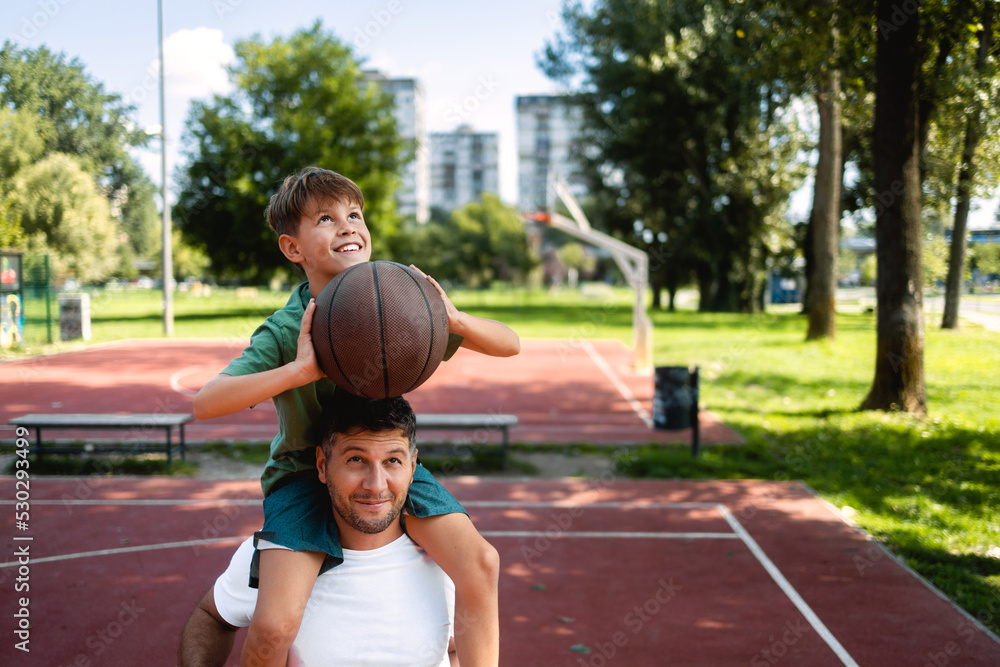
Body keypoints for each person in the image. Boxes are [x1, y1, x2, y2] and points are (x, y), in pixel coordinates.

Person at [192, 167, 519, 667]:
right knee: (276, 625)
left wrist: (453, 319)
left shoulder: (396, 302)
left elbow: (510, 344)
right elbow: (207, 402)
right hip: (303, 474)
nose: (347, 226)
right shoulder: (286, 329)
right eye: (325, 218)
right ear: (292, 248)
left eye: (354, 215)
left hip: (379, 463)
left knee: (481, 563)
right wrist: (298, 372)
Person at [179, 395, 459, 667]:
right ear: (323, 466)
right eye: (356, 460)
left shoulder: (446, 558)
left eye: (392, 461)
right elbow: (212, 617)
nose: (376, 484)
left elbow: (454, 648)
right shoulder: (279, 553)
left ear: (413, 467)